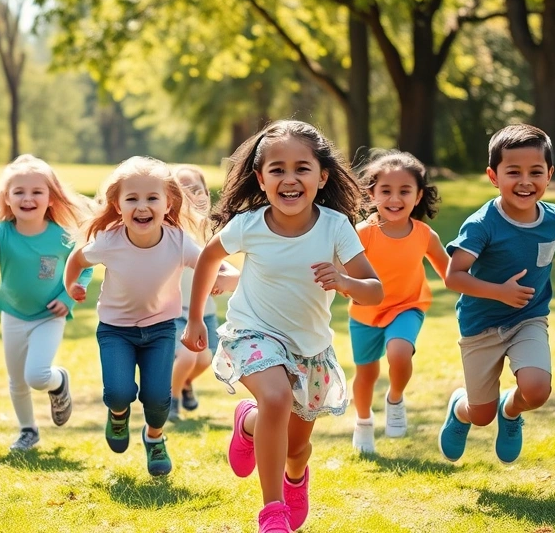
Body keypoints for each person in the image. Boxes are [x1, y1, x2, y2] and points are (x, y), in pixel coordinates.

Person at [183, 120, 383, 532]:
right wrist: (194, 318)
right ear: (260, 178)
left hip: (309, 348)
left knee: (297, 446)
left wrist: (345, 281)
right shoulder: (250, 224)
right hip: (253, 332)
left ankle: (259, 436)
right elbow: (206, 257)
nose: (289, 179)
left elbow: (375, 291)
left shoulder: (335, 226)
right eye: (277, 170)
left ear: (322, 176)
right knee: (275, 398)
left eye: (301, 168)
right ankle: (272, 511)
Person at [439, 124, 555, 465]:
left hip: (528, 317)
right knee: (480, 414)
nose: (525, 181)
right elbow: (453, 276)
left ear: (549, 175)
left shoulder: (553, 217)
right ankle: (461, 410)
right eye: (513, 172)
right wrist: (500, 292)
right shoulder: (482, 223)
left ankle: (512, 409)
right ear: (493, 176)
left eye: (535, 172)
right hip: (481, 325)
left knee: (536, 389)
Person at [63, 156, 237, 476]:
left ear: (168, 202)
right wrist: (70, 286)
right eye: (132, 199)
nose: (142, 206)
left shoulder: (178, 241)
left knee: (158, 400)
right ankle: (118, 415)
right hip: (116, 330)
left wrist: (228, 275)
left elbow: (212, 263)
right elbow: (76, 259)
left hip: (160, 329)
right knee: (119, 392)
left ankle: (154, 437)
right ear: (117, 205)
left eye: (152, 198)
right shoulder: (109, 241)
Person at [0, 155, 92, 451]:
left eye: (37, 192)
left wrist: (67, 296)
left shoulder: (62, 237)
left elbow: (85, 267)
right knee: (17, 380)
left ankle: (58, 382)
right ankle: (27, 431)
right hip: (13, 314)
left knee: (37, 375)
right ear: (7, 198)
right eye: (19, 192)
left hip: (50, 314)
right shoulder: (2, 232)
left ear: (51, 198)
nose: (28, 198)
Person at [348, 151, 449, 454]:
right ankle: (363, 422)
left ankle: (395, 398)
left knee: (399, 352)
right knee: (366, 375)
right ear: (371, 194)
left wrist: (486, 285)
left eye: (404, 191)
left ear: (418, 196)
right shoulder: (362, 233)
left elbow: (451, 272)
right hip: (365, 313)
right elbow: (343, 271)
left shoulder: (424, 235)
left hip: (408, 305)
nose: (395, 198)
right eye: (386, 191)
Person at [169, 165, 238, 422]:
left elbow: (224, 263)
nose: (190, 197)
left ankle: (185, 384)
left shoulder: (210, 231)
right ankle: (172, 399)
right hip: (177, 311)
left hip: (205, 312)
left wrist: (226, 277)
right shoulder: (171, 231)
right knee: (187, 357)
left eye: (196, 190)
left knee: (205, 359)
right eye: (182, 192)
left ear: (207, 194)